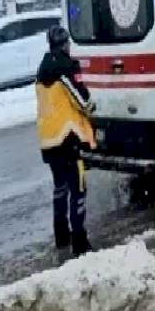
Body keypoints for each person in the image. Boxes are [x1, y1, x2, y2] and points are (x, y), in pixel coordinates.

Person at [36, 25, 96, 255]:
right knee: (78, 189)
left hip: (48, 139)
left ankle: (61, 235)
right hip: (67, 138)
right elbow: (82, 100)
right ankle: (80, 241)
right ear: (65, 45)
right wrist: (92, 108)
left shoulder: (42, 71)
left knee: (59, 188)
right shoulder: (66, 68)